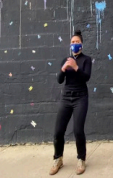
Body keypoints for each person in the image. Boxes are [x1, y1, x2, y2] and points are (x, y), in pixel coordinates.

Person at [49, 30, 92, 175]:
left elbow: (86, 77)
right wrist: (63, 69)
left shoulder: (86, 60)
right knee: (58, 131)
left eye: (77, 42)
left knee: (78, 130)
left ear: (81, 44)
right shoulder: (66, 60)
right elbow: (60, 80)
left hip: (81, 97)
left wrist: (75, 67)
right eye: (72, 42)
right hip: (66, 98)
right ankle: (58, 159)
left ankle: (81, 159)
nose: (74, 44)